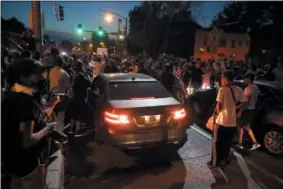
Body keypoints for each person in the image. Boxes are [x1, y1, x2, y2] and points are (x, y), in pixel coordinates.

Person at [2, 58, 60, 189]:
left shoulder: (10, 94)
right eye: (37, 75)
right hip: (28, 163)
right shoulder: (26, 102)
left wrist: (52, 104)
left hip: (10, 160)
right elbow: (27, 140)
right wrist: (47, 129)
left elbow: (36, 118)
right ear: (24, 77)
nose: (41, 78)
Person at [209, 70, 247, 168]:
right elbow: (245, 101)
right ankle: (225, 160)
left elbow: (218, 108)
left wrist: (217, 111)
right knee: (227, 143)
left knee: (216, 143)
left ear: (225, 79)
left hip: (221, 121)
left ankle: (215, 162)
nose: (221, 81)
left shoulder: (223, 90)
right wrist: (238, 110)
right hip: (232, 122)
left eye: (222, 78)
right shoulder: (239, 89)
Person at [236, 73, 261, 150]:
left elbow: (246, 102)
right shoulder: (256, 87)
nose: (244, 80)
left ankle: (254, 142)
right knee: (244, 126)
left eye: (245, 79)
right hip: (252, 110)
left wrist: (239, 110)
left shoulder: (248, 89)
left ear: (249, 79)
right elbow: (258, 96)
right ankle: (240, 143)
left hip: (247, 110)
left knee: (243, 126)